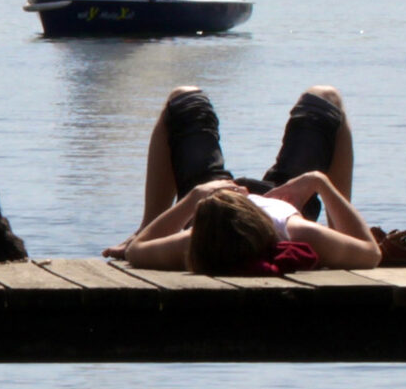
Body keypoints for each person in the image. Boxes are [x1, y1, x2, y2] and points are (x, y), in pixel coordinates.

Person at [102, 86, 383, 274]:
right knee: (326, 97)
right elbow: (371, 254)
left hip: (213, 203)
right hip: (283, 198)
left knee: (184, 98)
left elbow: (138, 252)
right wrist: (319, 181)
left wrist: (196, 197)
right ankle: (342, 233)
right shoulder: (298, 232)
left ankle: (145, 225)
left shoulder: (195, 239)